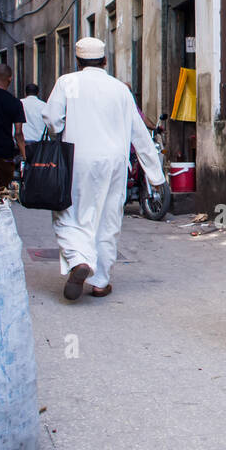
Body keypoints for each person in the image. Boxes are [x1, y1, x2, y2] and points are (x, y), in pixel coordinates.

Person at [43, 37, 165, 300]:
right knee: (108, 219)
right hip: (114, 162)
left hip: (77, 159)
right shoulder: (120, 89)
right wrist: (156, 175)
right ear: (105, 61)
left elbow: (53, 122)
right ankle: (100, 281)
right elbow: (139, 133)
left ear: (77, 61)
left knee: (69, 214)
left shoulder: (67, 82)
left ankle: (79, 260)